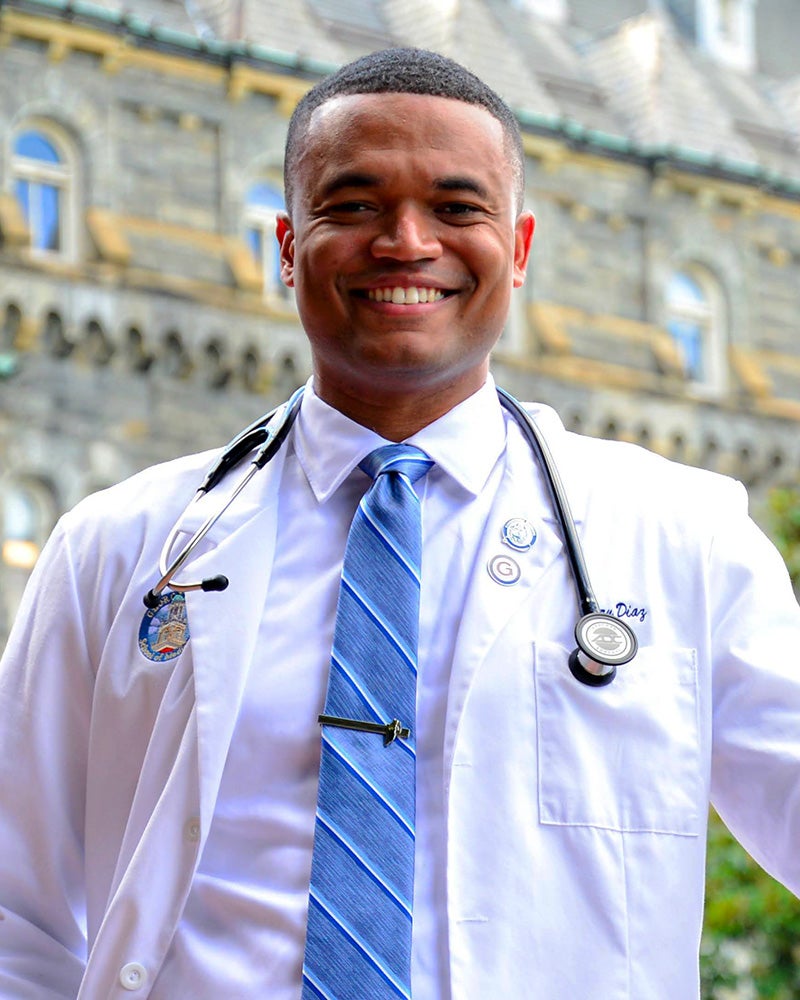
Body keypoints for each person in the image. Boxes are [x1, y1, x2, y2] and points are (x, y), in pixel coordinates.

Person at [1, 46, 799, 1000]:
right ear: (287, 245)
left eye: (458, 208)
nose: (406, 242)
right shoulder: (114, 549)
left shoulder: (688, 541)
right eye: (354, 206)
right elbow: (15, 912)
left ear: (520, 249)